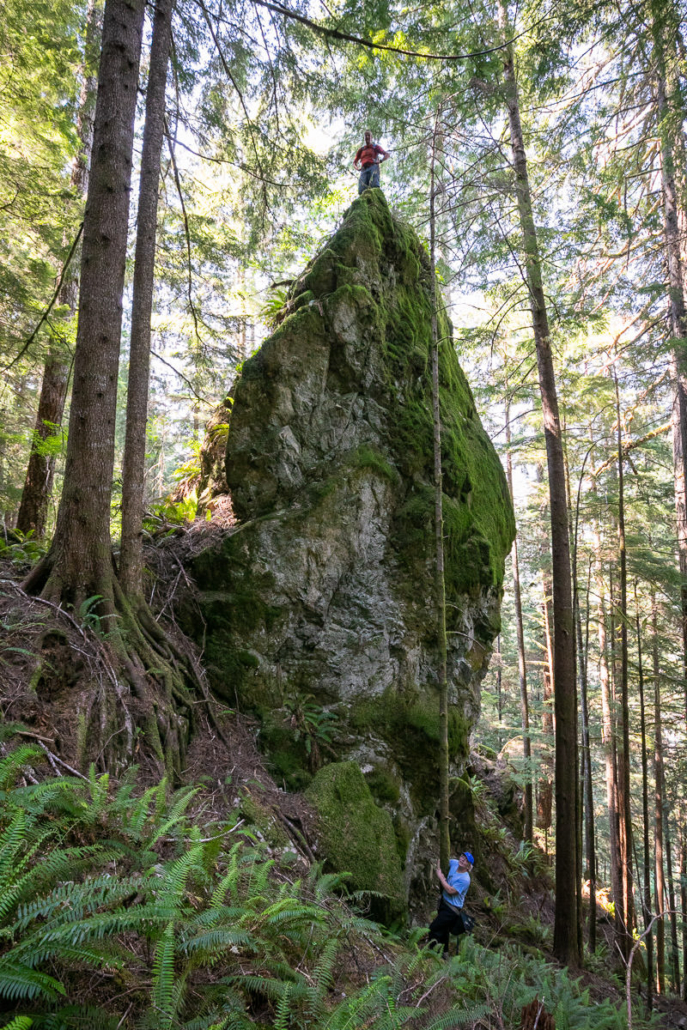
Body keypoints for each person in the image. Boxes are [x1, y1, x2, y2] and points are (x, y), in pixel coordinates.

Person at [427, 850, 474, 957]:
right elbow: (443, 860)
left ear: (468, 866)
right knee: (443, 931)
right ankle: (444, 954)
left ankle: (431, 954)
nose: (462, 860)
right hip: (444, 903)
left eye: (466, 860)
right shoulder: (454, 863)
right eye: (462, 856)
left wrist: (440, 876)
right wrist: (438, 866)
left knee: (434, 928)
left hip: (451, 910)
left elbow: (451, 891)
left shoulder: (465, 879)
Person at [353, 130, 390, 195]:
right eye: (365, 136)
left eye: (368, 135)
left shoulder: (375, 147)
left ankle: (375, 201)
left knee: (374, 186)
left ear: (371, 137)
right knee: (361, 190)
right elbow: (354, 162)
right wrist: (357, 168)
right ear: (364, 138)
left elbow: (387, 154)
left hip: (373, 167)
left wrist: (381, 160)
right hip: (364, 169)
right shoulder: (361, 150)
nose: (367, 137)